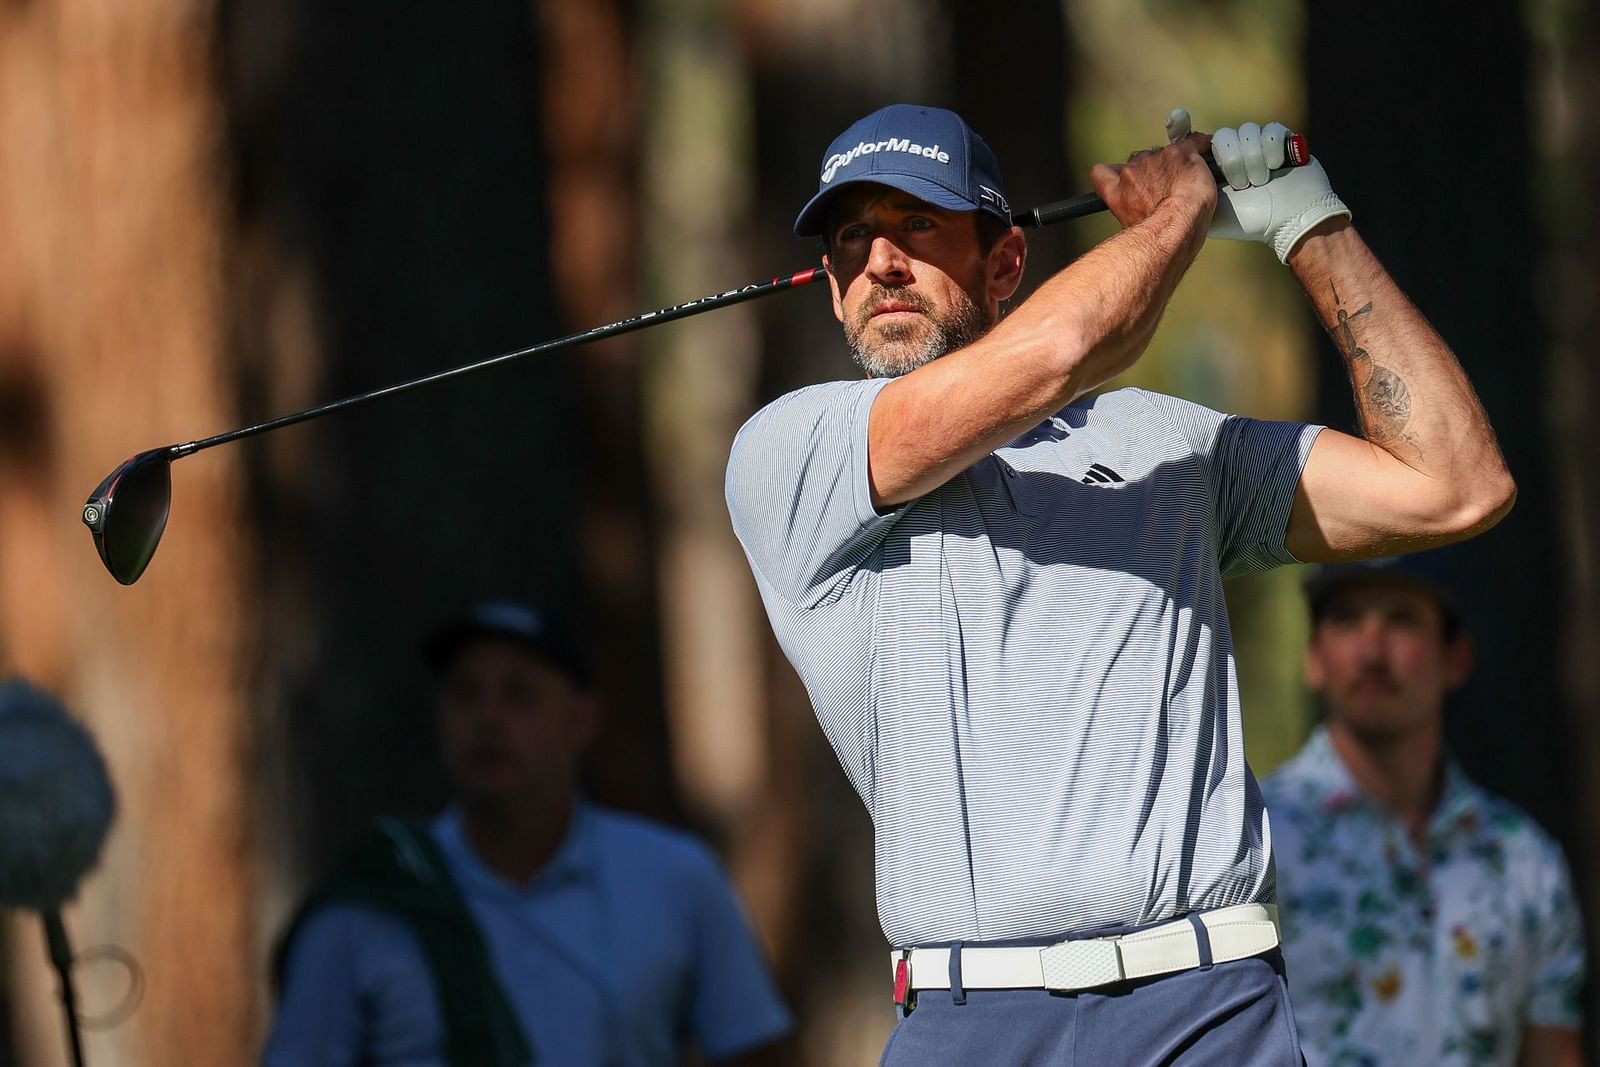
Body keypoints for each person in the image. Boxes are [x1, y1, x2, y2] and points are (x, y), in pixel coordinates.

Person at [723, 102, 1515, 1065]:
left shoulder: (1162, 445)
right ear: (834, 282)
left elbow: (1455, 486)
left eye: (918, 224)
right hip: (975, 1021)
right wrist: (1177, 213)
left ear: (1007, 263)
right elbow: (1063, 349)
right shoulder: (794, 454)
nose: (882, 261)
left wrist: (1312, 225)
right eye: (854, 236)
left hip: (1209, 1013)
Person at [263, 599, 793, 1067]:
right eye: (465, 694)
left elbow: (751, 1051)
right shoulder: (377, 895)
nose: (488, 718)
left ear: (581, 721)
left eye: (519, 695)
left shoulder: (676, 877)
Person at [1263, 556, 1585, 1067]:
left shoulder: (1524, 860)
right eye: (1346, 619)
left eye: (1401, 619)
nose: (1371, 651)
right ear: (1313, 659)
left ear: (1455, 659)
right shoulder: (1252, 849)